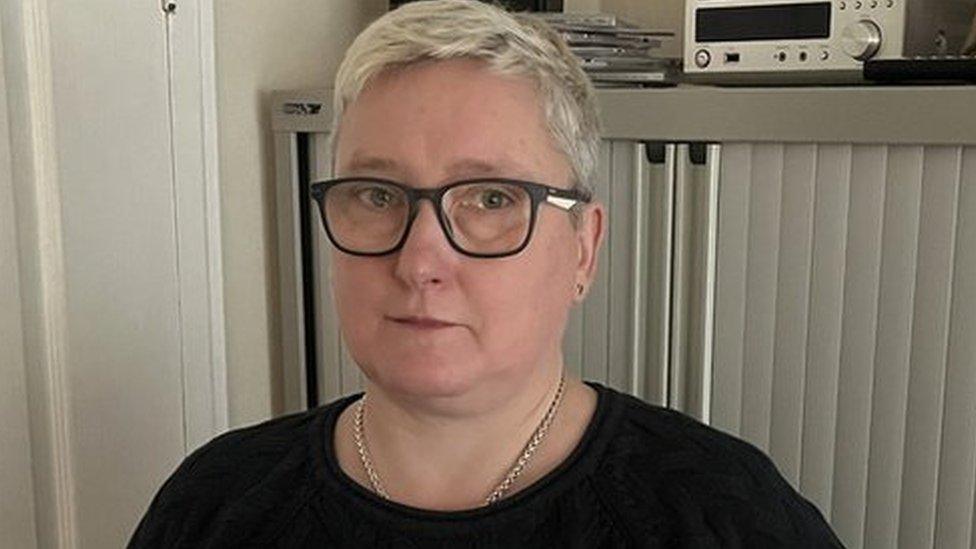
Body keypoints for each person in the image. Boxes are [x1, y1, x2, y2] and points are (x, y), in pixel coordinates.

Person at [129, 1, 843, 546]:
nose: (420, 261)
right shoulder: (213, 503)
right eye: (378, 196)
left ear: (583, 249)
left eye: (492, 198)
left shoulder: (723, 515)